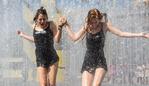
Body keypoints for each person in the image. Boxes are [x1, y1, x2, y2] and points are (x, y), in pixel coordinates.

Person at [64, 8, 149, 86]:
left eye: (96, 22)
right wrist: (66, 25)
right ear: (89, 20)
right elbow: (74, 37)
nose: (93, 24)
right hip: (88, 61)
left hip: (100, 61)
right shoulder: (86, 26)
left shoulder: (104, 26)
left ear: (99, 19)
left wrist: (140, 34)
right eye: (91, 22)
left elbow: (121, 33)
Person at [17, 7, 66, 86]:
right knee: (43, 84)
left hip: (52, 58)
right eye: (40, 19)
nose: (42, 21)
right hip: (40, 59)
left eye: (44, 19)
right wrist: (22, 35)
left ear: (47, 18)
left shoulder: (51, 24)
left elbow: (57, 40)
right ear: (36, 19)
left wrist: (60, 28)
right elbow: (36, 40)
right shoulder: (34, 26)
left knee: (51, 84)